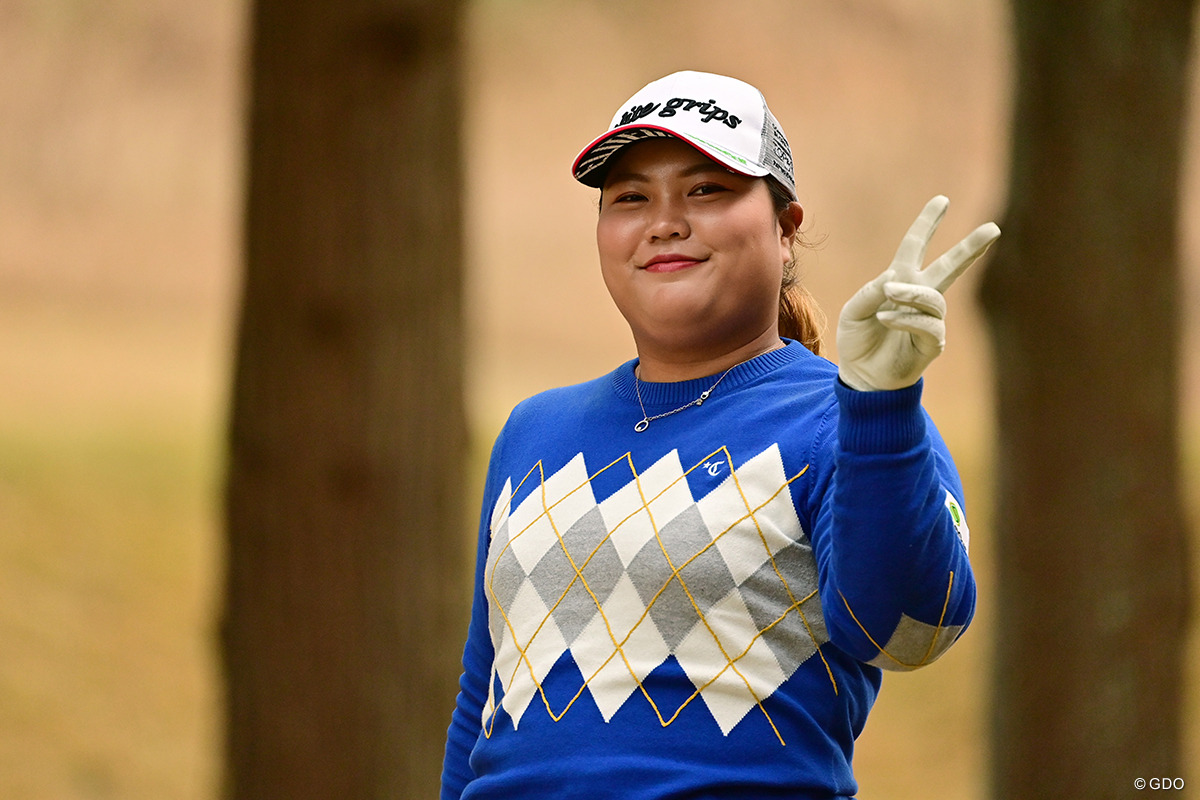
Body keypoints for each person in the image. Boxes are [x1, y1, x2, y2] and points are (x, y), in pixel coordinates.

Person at [441, 70, 1000, 799]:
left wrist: (883, 405)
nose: (664, 221)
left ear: (786, 226)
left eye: (706, 191)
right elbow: (482, 705)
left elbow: (906, 632)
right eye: (630, 198)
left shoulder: (848, 421)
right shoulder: (533, 431)